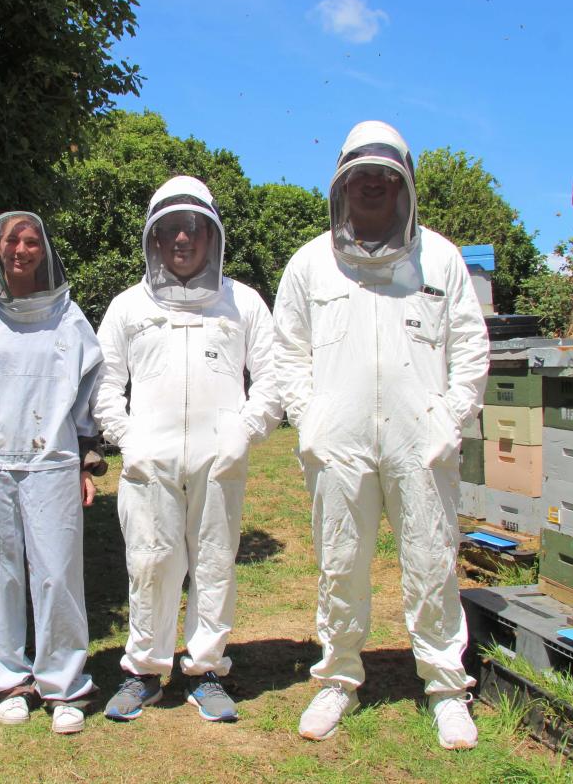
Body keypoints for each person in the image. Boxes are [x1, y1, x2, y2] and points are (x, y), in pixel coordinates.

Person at [273, 121, 489, 749]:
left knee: (431, 560)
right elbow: (289, 353)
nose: (371, 184)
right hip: (337, 443)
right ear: (342, 183)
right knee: (340, 562)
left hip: (421, 442)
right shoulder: (311, 263)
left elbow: (470, 348)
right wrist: (310, 419)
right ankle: (338, 676)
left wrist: (449, 420)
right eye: (361, 175)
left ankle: (447, 687)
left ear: (404, 186)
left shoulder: (440, 258)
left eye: (384, 176)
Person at [94, 176, 281, 723]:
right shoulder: (128, 305)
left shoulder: (241, 302)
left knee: (215, 563)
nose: (182, 239)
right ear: (154, 238)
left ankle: (205, 670)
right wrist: (129, 439)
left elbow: (272, 378)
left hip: (219, 458)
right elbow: (104, 382)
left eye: (192, 229)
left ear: (211, 236)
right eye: (171, 229)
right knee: (150, 564)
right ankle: (144, 672)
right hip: (148, 460)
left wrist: (242, 433)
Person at [0, 211, 106, 735]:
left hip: (51, 461)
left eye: (32, 241)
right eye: (13, 240)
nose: (22, 250)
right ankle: (4, 680)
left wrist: (85, 457)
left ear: (44, 251)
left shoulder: (70, 318)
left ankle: (64, 683)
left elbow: (87, 392)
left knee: (57, 573)